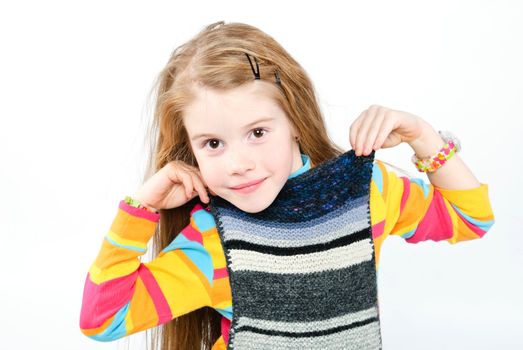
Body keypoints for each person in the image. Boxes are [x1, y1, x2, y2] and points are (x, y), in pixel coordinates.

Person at [79, 21, 495, 350]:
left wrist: (422, 135)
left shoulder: (365, 192)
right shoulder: (212, 242)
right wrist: (142, 208)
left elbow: (470, 219)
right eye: (213, 143)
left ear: (295, 120)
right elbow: (103, 320)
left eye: (257, 132)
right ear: (191, 151)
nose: (239, 164)